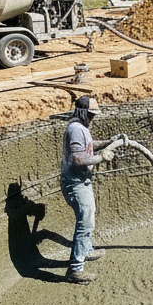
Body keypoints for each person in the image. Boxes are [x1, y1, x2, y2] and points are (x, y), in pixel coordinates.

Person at [60, 96, 113, 284]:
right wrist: (101, 158)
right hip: (74, 183)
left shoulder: (81, 129)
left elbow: (88, 146)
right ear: (83, 113)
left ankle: (86, 249)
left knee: (89, 216)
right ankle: (75, 269)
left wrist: (107, 142)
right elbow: (78, 159)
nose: (93, 118)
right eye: (90, 114)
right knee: (85, 221)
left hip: (82, 181)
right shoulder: (75, 130)